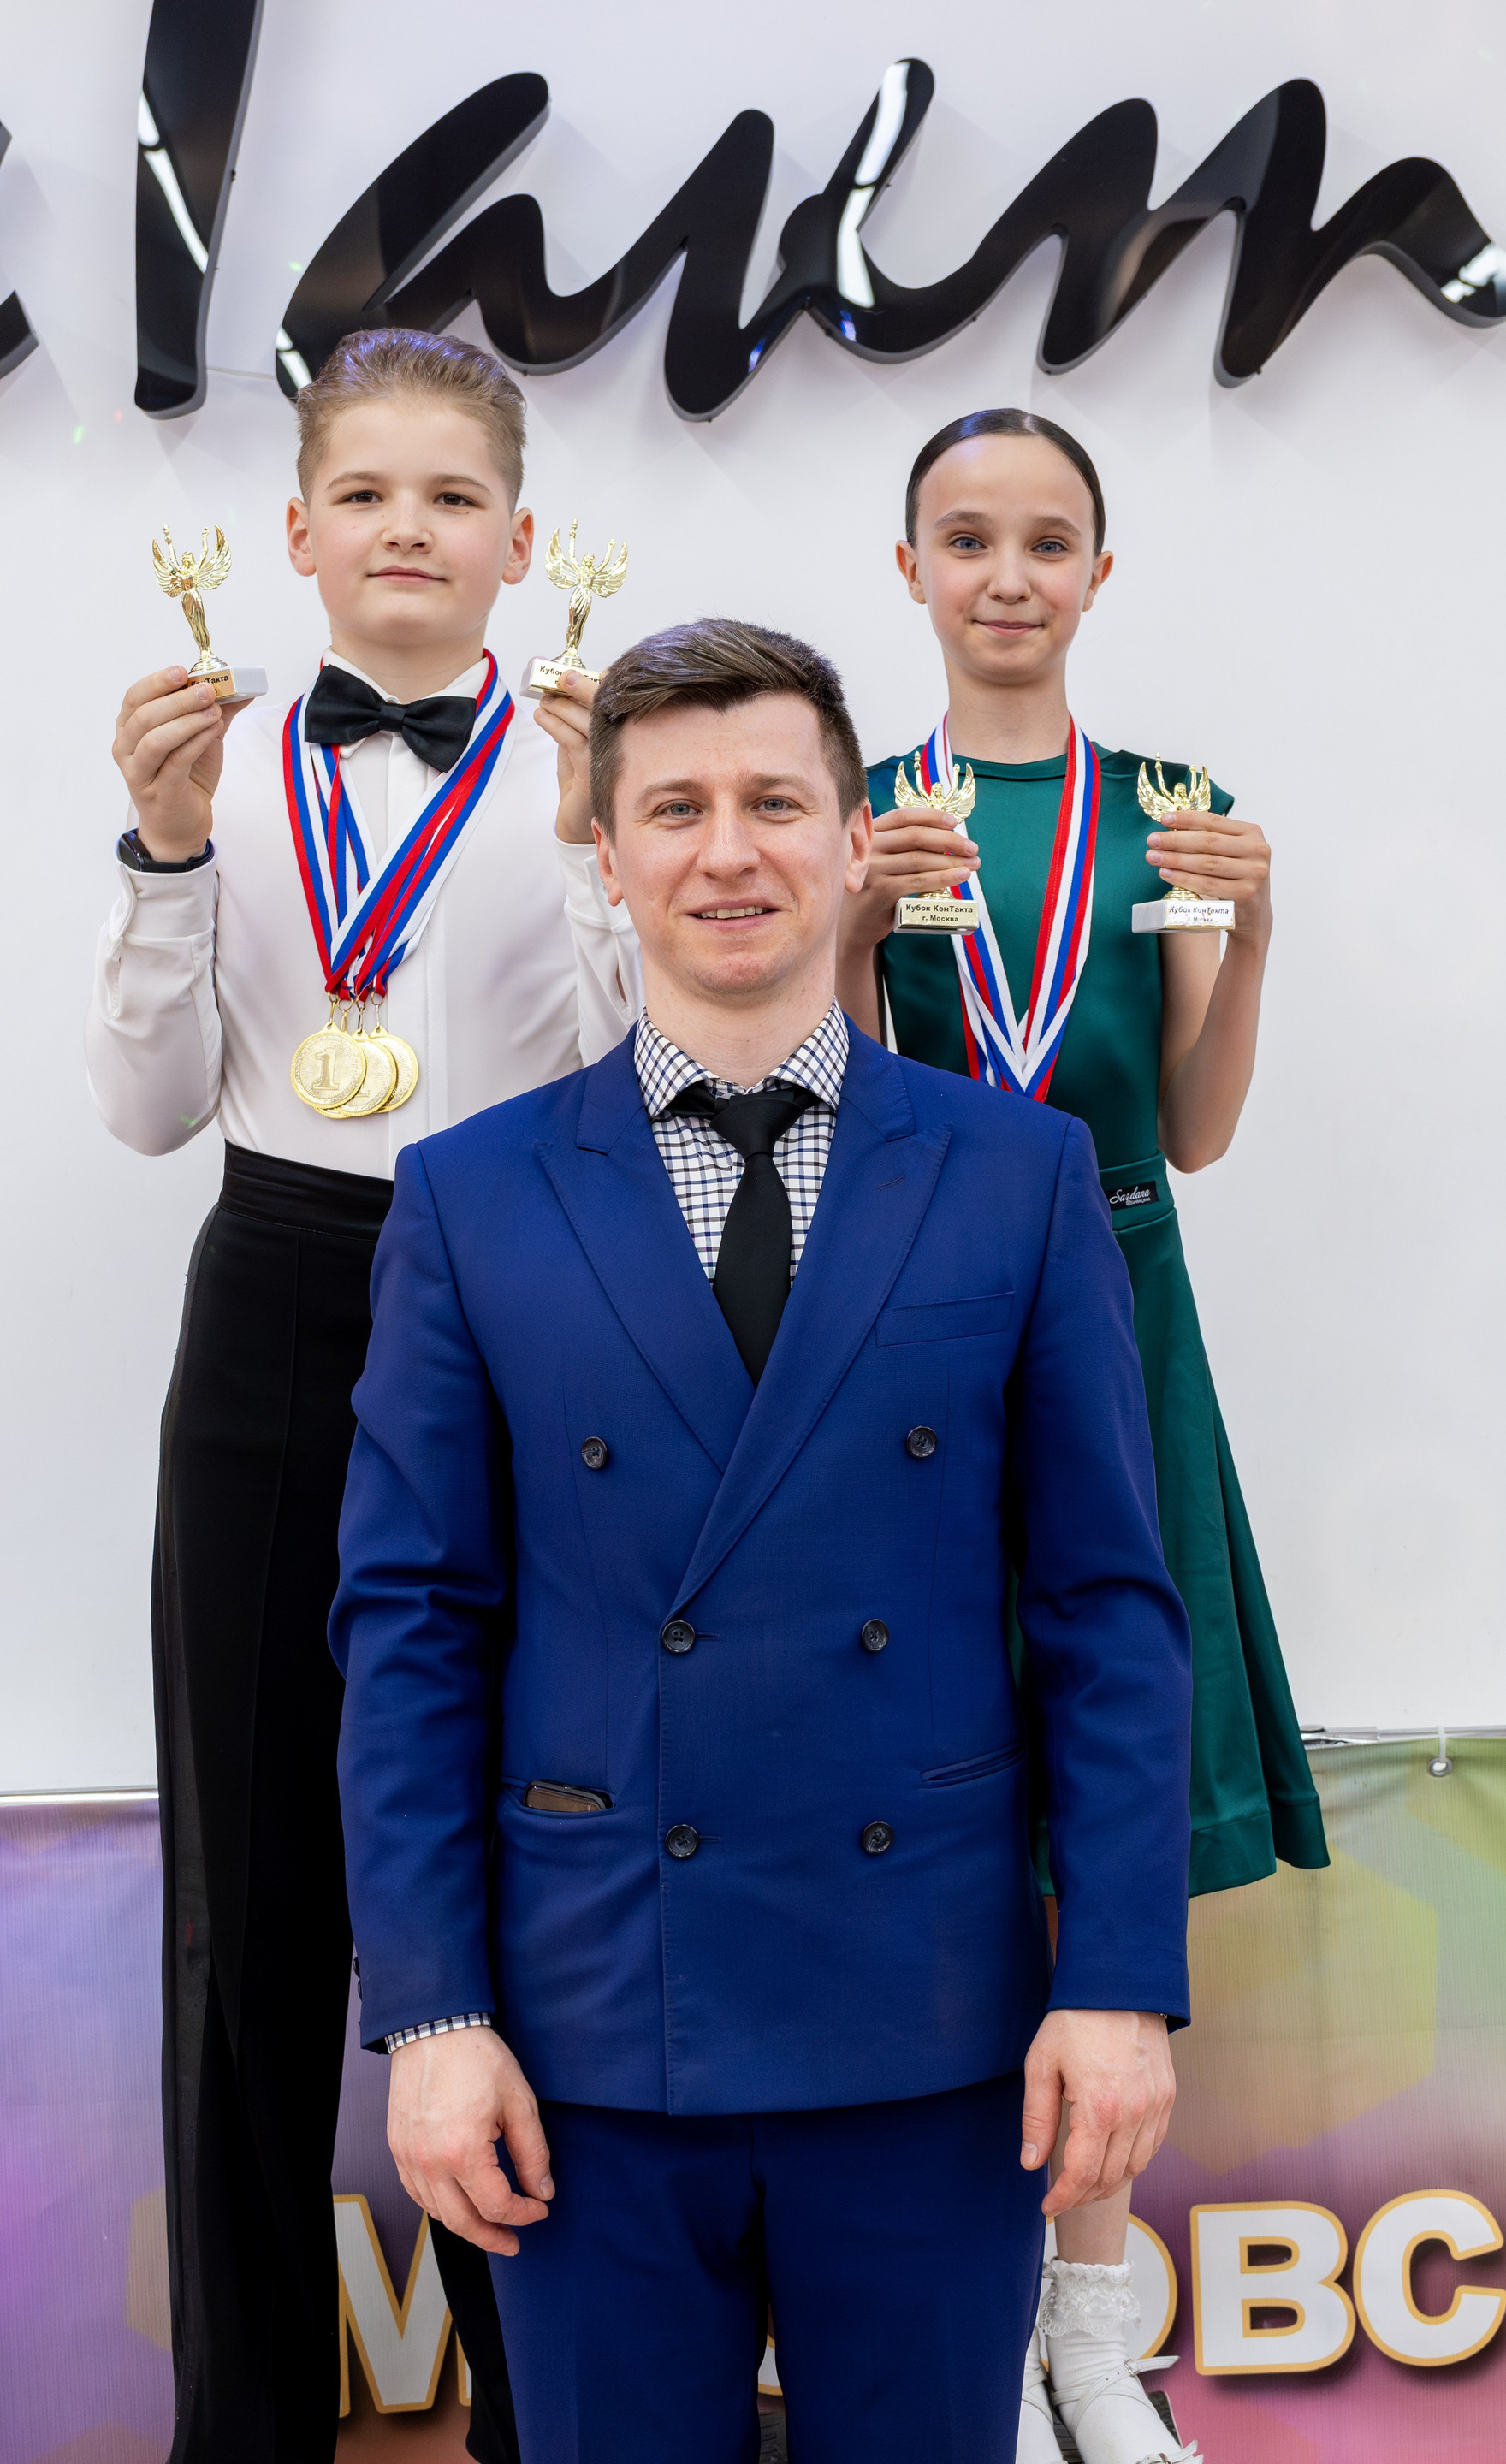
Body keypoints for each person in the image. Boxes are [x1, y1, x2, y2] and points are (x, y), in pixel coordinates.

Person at [329, 617, 1194, 2464]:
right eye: (676, 809)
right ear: (608, 848)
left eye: (777, 803)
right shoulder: (469, 1196)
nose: (729, 852)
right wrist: (430, 2014)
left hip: (933, 2028)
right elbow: (411, 1628)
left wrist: (1117, 1977)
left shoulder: (1019, 1173)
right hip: (587, 2035)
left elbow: (1109, 1611)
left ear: (854, 837)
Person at [85, 326, 635, 2464]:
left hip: (519, 1307)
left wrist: (592, 848)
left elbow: (626, 1092)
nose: (410, 528)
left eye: (453, 498)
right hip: (274, 1303)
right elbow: (146, 1110)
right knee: (246, 1897)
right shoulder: (222, 769)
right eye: (369, 495)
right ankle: (238, 2427)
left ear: (521, 540)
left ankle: (551, 2419)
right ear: (296, 532)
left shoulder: (585, 767)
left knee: (520, 1871)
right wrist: (158, 851)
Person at [836, 406, 1329, 2464]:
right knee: (947, 1810)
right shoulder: (860, 812)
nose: (1009, 574)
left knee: (1107, 1807)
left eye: (1049, 540)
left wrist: (1259, 928)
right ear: (911, 571)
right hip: (925, 1330)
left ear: (1101, 573)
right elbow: (839, 1117)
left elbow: (1193, 1130)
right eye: (968, 538)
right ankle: (981, 2342)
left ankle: (1096, 2338)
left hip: (1122, 1310)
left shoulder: (1172, 808)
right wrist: (850, 924)